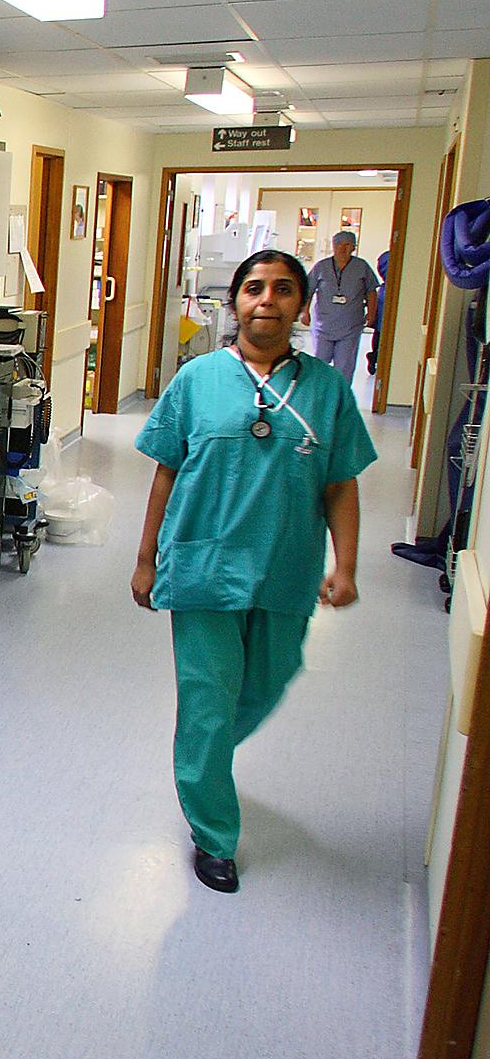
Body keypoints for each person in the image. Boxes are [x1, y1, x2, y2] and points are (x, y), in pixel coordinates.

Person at [132, 249, 376, 893]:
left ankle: (201, 756)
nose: (266, 299)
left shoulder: (326, 391)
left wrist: (345, 566)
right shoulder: (196, 381)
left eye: (283, 289)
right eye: (254, 288)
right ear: (236, 301)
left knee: (266, 684)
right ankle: (214, 832)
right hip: (203, 567)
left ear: (302, 304)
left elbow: (341, 483)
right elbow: (165, 472)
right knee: (210, 705)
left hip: (285, 568)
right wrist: (145, 558)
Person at [302, 228, 379, 386]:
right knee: (320, 364)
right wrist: (305, 312)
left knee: (344, 367)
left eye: (347, 244)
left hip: (350, 326)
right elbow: (308, 291)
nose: (342, 248)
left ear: (353, 247)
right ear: (333, 246)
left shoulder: (361, 267)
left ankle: (340, 400)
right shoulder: (321, 267)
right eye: (339, 244)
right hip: (324, 325)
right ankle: (319, 396)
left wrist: (371, 314)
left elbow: (371, 292)